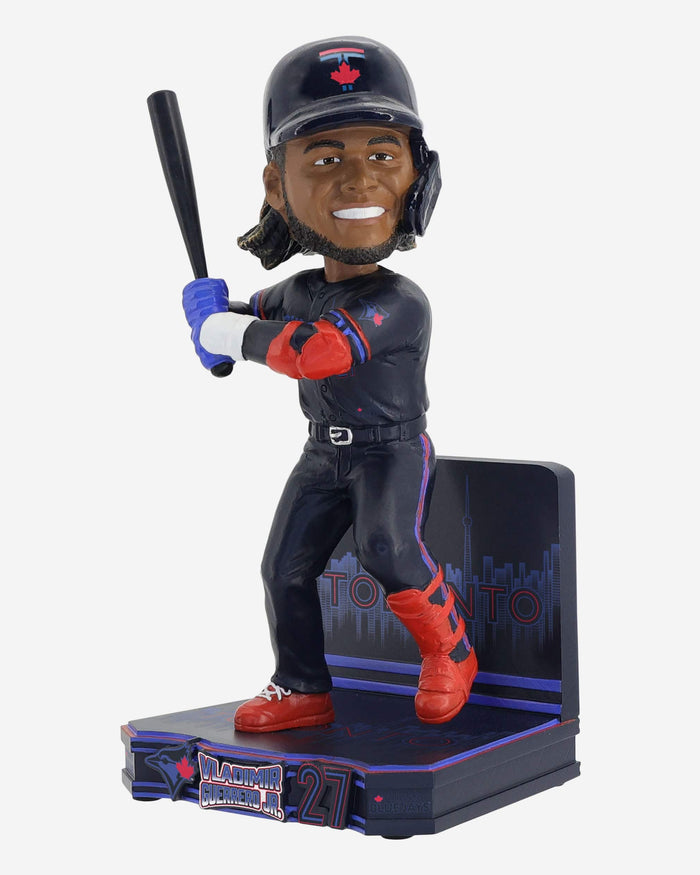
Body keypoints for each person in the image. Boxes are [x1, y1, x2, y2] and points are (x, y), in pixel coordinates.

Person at [182, 37, 477, 733]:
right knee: (283, 566)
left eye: (383, 155)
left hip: (390, 451)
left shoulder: (399, 302)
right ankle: (301, 686)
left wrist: (224, 334)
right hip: (323, 452)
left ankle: (452, 651)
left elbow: (315, 353)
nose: (358, 180)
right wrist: (207, 315)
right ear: (277, 186)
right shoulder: (300, 289)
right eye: (325, 159)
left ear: (418, 175)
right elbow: (251, 319)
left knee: (388, 551)